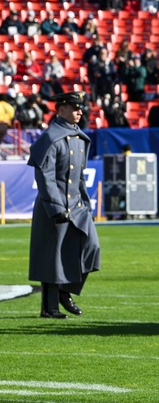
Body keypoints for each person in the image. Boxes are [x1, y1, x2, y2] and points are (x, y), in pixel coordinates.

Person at [28, 92, 100, 318]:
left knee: (92, 247)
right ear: (61, 110)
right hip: (55, 205)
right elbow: (44, 175)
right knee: (52, 256)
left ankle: (64, 290)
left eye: (81, 108)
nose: (80, 111)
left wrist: (86, 204)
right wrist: (55, 206)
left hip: (77, 205)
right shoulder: (51, 137)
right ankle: (49, 309)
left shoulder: (79, 137)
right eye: (75, 107)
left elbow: (78, 179)